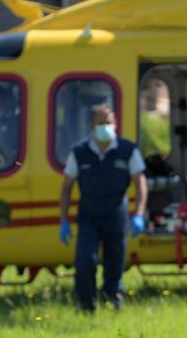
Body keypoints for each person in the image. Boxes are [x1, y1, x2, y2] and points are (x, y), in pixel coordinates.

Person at [58, 105, 148, 312]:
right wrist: (63, 220)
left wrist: (139, 214)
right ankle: (85, 306)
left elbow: (140, 183)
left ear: (115, 123)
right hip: (89, 213)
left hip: (116, 212)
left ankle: (112, 302)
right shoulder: (79, 152)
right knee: (85, 261)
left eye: (109, 123)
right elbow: (66, 187)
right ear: (91, 125)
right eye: (101, 123)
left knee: (114, 263)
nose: (105, 127)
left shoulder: (127, 150)